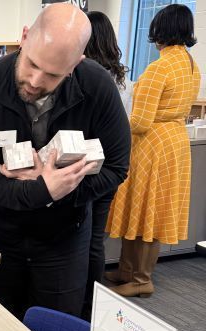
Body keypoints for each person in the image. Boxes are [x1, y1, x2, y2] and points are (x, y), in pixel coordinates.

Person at [0, 3, 130, 320]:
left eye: (53, 75)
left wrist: (63, 190)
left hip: (63, 240)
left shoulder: (96, 87)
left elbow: (117, 166)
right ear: (24, 37)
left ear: (76, 63)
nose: (36, 81)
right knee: (1, 329)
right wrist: (43, 190)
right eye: (32, 64)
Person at [106, 4, 201, 298]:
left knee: (145, 210)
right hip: (175, 143)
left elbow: (140, 121)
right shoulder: (189, 64)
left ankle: (140, 279)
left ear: (160, 30)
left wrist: (110, 123)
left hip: (152, 145)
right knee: (152, 209)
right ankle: (128, 271)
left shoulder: (159, 68)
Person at [80, 10, 133, 320]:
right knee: (95, 237)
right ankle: (93, 301)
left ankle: (84, 299)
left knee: (83, 238)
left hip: (88, 165)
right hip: (111, 164)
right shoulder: (120, 76)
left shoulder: (90, 76)